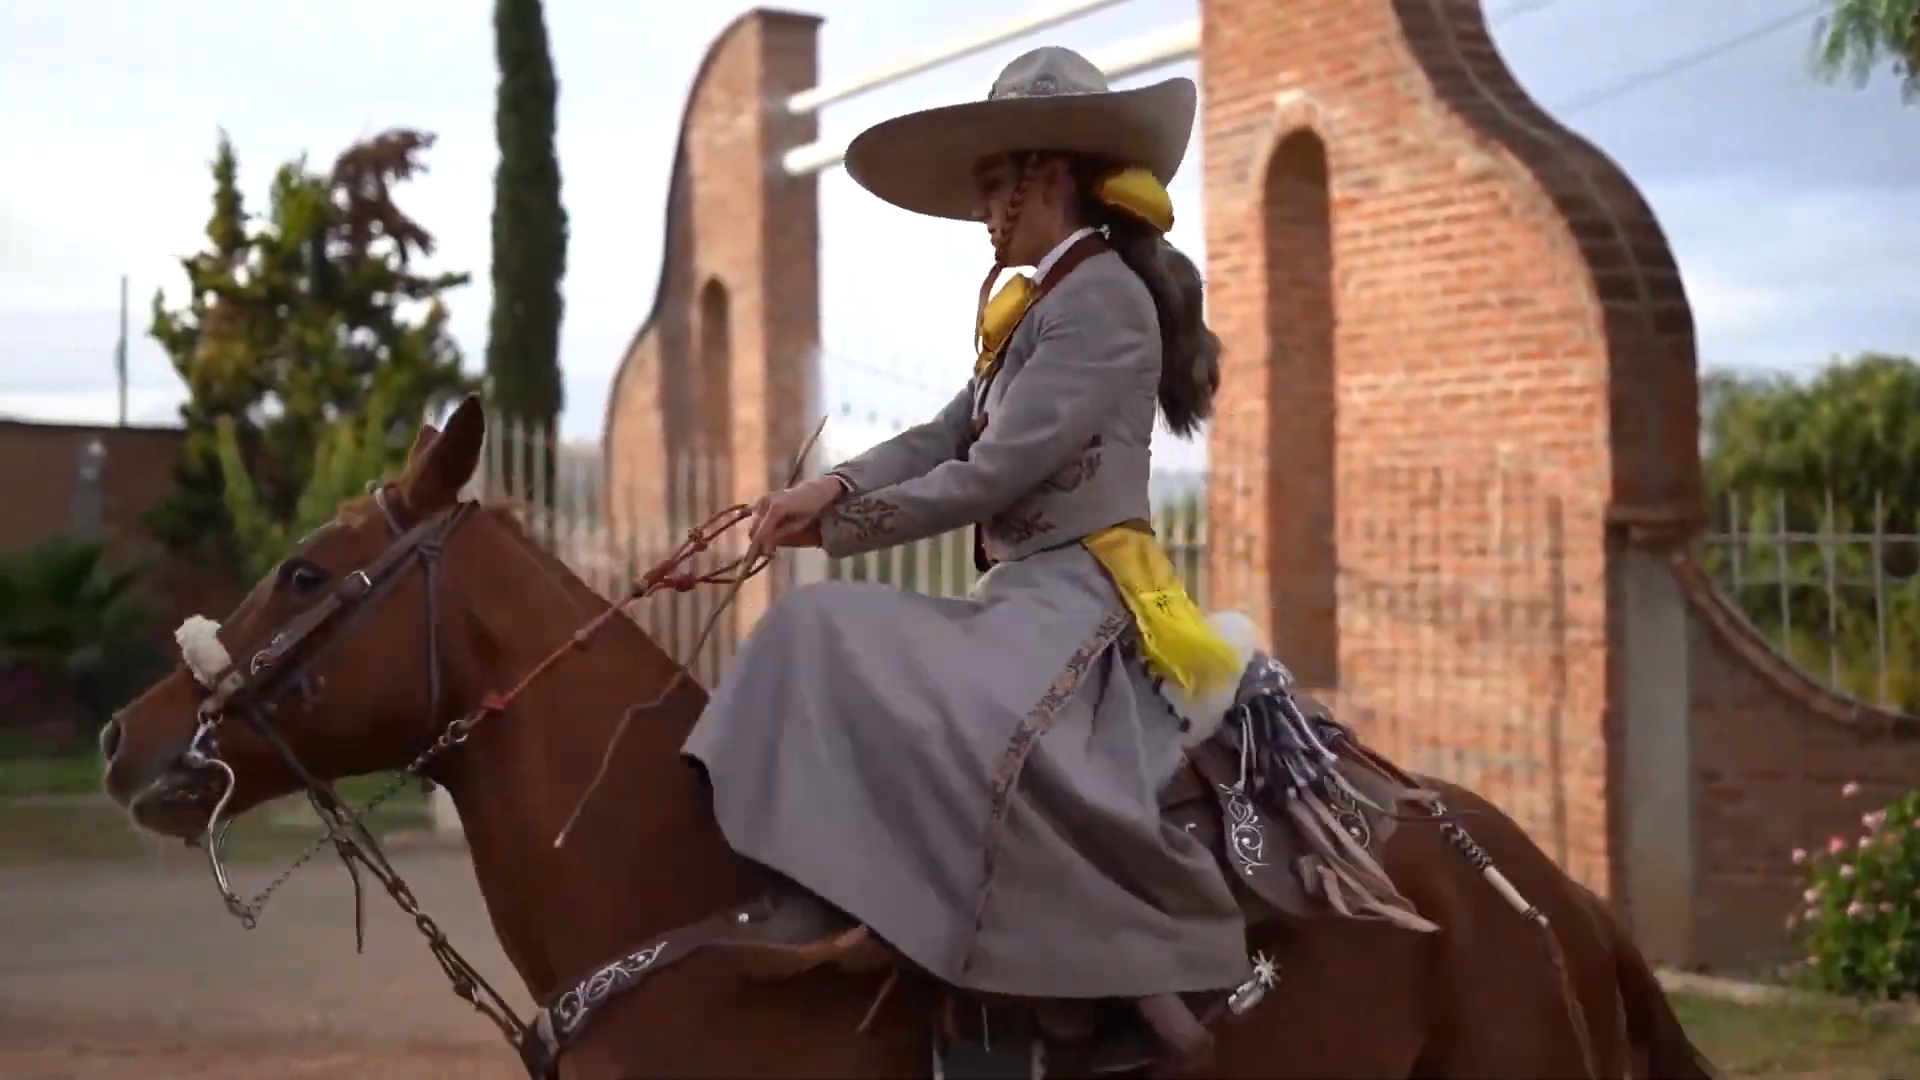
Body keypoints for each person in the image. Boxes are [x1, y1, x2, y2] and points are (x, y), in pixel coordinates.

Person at [681, 45, 1253, 1074]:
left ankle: (1132, 978)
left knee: (834, 633)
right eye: (987, 184)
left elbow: (993, 472)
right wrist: (830, 488)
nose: (988, 205)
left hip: (1084, 600)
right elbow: (948, 432)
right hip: (1016, 598)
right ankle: (839, 895)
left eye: (1001, 181)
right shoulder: (1035, 304)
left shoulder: (1105, 299)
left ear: (1058, 174)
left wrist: (840, 531)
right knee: (825, 632)